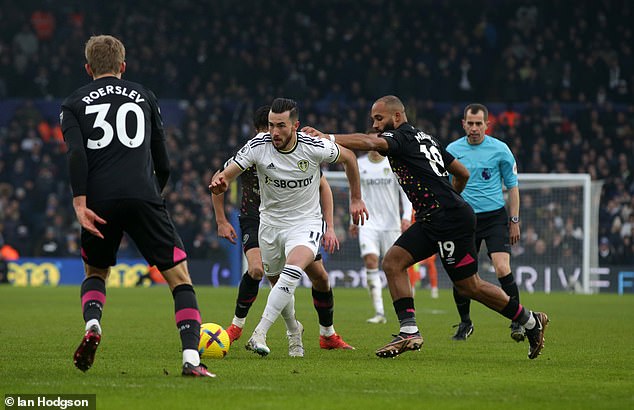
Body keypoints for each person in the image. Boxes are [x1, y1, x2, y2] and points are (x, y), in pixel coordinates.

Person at [302, 95, 549, 360]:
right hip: (435, 217)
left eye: (379, 118)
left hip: (450, 220)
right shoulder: (425, 138)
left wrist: (327, 137)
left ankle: (531, 321)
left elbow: (369, 142)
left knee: (470, 286)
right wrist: (445, 200)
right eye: (373, 119)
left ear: (397, 117)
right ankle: (409, 330)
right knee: (393, 262)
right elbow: (462, 173)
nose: (375, 125)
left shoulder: (401, 138)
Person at [60, 35, 213, 377]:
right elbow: (165, 161)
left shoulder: (72, 103)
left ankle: (94, 324)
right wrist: (151, 197)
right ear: (123, 66)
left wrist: (79, 202)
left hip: (99, 201)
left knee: (96, 273)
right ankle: (190, 359)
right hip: (144, 195)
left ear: (88, 68)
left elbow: (75, 154)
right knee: (179, 279)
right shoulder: (144, 95)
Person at [210, 98, 368, 357]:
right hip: (269, 224)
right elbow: (225, 176)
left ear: (296, 126)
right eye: (271, 125)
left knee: (294, 270)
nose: (274, 132)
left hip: (305, 222)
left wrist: (355, 198)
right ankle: (294, 331)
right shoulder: (257, 147)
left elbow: (349, 157)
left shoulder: (313, 147)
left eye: (281, 126)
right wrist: (221, 183)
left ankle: (258, 332)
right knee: (277, 282)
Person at [446, 103, 525, 342]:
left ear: (486, 125)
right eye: (470, 123)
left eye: (478, 124)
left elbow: (512, 187)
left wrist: (514, 220)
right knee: (461, 276)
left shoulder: (500, 150)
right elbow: (447, 187)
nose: (474, 128)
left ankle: (518, 322)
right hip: (464, 219)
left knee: (502, 267)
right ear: (463, 124)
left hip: (494, 218)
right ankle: (465, 323)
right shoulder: (451, 149)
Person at [350, 150, 412, 324]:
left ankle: (407, 309)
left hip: (392, 225)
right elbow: (354, 194)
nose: (374, 148)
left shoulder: (393, 163)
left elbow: (405, 193)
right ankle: (379, 312)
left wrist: (406, 217)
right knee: (370, 261)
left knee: (397, 266)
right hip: (367, 223)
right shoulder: (360, 164)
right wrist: (353, 219)